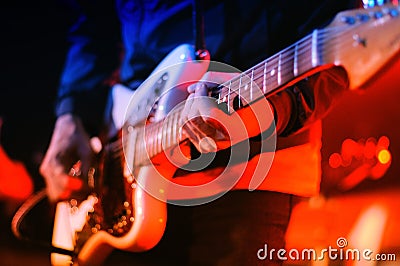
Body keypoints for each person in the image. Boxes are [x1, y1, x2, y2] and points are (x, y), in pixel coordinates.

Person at [39, 0, 357, 265]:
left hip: (248, 176)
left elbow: (331, 27)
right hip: (125, 138)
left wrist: (269, 110)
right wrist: (72, 112)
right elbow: (93, 19)